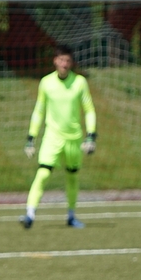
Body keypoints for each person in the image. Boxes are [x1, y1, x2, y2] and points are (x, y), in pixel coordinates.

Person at [20, 44, 96, 230]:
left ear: (72, 63)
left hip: (74, 139)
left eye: (67, 60)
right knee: (43, 173)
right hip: (52, 137)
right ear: (55, 61)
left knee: (72, 177)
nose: (64, 64)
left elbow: (89, 110)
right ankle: (29, 214)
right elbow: (39, 110)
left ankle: (71, 215)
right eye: (61, 60)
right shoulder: (46, 83)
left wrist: (91, 136)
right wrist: (31, 137)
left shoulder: (79, 82)